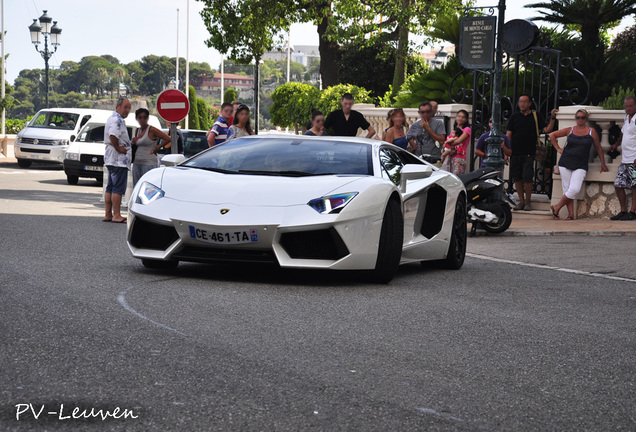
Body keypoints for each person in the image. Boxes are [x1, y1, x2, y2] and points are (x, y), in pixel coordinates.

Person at [548, 109, 608, 220]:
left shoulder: (591, 131)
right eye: (578, 117)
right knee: (567, 190)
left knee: (574, 189)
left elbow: (598, 147)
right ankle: (571, 215)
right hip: (565, 162)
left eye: (582, 117)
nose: (580, 119)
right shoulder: (570, 130)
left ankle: (557, 207)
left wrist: (603, 164)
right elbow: (552, 135)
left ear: (586, 119)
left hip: (581, 164)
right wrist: (558, 148)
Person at [506, 94, 558, 210]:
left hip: (529, 152)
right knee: (517, 178)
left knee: (527, 177)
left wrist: (553, 118)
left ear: (529, 103)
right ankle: (521, 202)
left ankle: (528, 202)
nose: (522, 104)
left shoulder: (535, 116)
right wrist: (506, 151)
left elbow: (547, 130)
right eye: (520, 102)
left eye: (525, 102)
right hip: (515, 152)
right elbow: (508, 135)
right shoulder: (514, 117)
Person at [103, 97, 132, 224]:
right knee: (118, 188)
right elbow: (113, 135)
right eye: (125, 107)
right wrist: (118, 148)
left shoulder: (112, 118)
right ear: (118, 107)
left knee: (110, 187)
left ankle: (108, 214)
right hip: (118, 160)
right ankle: (117, 215)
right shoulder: (117, 120)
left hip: (111, 158)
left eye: (129, 108)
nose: (128, 110)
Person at [609, 95, 636, 220]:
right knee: (618, 184)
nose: (628, 108)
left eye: (630, 106)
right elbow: (623, 133)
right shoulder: (627, 118)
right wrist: (616, 144)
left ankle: (633, 212)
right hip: (625, 159)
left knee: (634, 185)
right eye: (626, 106)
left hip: (634, 160)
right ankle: (623, 211)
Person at [131, 108, 172, 186]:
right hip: (137, 162)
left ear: (147, 118)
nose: (142, 120)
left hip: (149, 163)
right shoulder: (137, 130)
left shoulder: (152, 130)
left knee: (148, 187)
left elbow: (168, 139)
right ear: (136, 119)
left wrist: (158, 147)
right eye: (140, 117)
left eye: (145, 117)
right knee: (136, 186)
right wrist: (133, 142)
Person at [406, 101, 447, 167]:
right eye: (423, 112)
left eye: (428, 112)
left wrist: (428, 129)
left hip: (434, 160)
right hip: (419, 159)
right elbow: (408, 136)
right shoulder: (415, 125)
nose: (425, 114)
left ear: (431, 112)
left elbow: (441, 140)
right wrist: (413, 145)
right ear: (419, 112)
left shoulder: (438, 123)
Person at [442, 109, 471, 175]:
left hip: (459, 158)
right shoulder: (454, 131)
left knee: (457, 178)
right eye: (459, 116)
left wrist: (447, 143)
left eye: (463, 117)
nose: (460, 118)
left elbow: (458, 141)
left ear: (466, 119)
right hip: (450, 156)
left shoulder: (467, 129)